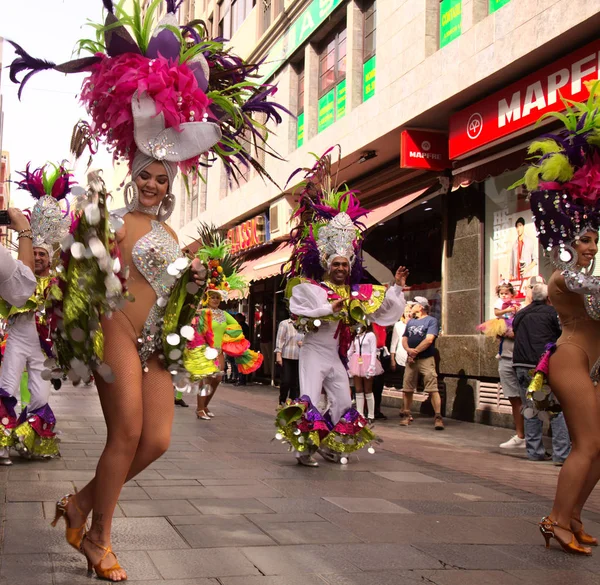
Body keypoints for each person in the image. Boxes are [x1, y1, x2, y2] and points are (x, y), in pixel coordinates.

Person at [10, 3, 287, 580]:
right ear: (133, 173)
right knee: (127, 432)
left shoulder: (169, 232)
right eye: (146, 174)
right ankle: (99, 539)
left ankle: (81, 504)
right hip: (116, 327)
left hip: (157, 340)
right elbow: (70, 258)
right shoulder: (109, 220)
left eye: (163, 178)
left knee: (156, 440)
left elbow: (173, 293)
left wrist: (196, 280)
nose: (155, 184)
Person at [274, 149, 407, 467]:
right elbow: (299, 310)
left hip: (336, 356)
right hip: (312, 353)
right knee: (309, 399)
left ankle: (331, 443)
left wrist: (397, 287)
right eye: (335, 262)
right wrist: (328, 308)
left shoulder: (356, 292)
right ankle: (304, 448)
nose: (340, 268)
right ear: (326, 263)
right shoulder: (309, 288)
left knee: (344, 401)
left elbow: (383, 312)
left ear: (350, 266)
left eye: (345, 263)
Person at [511, 82, 600, 555]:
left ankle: (574, 515)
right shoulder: (565, 278)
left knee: (598, 449)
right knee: (585, 445)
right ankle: (555, 520)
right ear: (569, 238)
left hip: (593, 363)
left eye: (594, 239)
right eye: (584, 239)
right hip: (571, 358)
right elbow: (597, 300)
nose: (590, 246)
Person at [0, 164, 73, 464]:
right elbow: (14, 295)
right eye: (36, 254)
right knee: (6, 387)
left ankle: (31, 442)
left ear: (49, 258)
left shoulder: (57, 284)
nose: (39, 257)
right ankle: (2, 443)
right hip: (17, 336)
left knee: (40, 396)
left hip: (45, 346)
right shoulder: (18, 274)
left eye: (43, 254)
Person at [194, 231, 263, 419]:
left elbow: (238, 328)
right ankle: (200, 409)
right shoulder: (201, 312)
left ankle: (205, 406)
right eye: (212, 297)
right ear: (207, 297)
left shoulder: (224, 315)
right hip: (204, 350)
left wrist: (232, 344)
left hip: (219, 351)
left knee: (217, 379)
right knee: (205, 380)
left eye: (218, 297)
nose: (215, 300)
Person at [512, 284, 569, 462]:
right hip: (542, 366)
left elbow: (515, 332)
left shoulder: (521, 314)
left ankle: (534, 452)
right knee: (555, 408)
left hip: (521, 364)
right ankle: (561, 454)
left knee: (530, 408)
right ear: (549, 298)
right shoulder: (553, 313)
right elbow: (563, 334)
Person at [400, 296, 443, 430]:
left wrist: (415, 351)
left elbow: (429, 339)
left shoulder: (431, 321)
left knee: (432, 388)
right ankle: (406, 415)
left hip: (426, 358)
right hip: (411, 359)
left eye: (414, 305)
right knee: (407, 388)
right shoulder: (411, 322)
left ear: (421, 307)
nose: (411, 307)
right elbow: (404, 338)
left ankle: (438, 417)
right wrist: (408, 350)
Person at [347, 324, 384, 422]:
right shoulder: (355, 335)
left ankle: (371, 415)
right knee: (358, 389)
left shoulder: (371, 335)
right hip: (356, 361)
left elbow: (373, 351)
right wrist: (346, 359)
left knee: (368, 389)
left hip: (367, 361)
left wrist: (372, 366)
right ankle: (360, 414)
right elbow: (351, 350)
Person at [275, 317, 303, 405]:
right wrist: (278, 354)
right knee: (286, 381)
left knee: (296, 383)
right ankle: (282, 400)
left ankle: (292, 403)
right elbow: (280, 339)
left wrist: (304, 343)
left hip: (300, 357)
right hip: (287, 356)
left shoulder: (303, 324)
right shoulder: (285, 323)